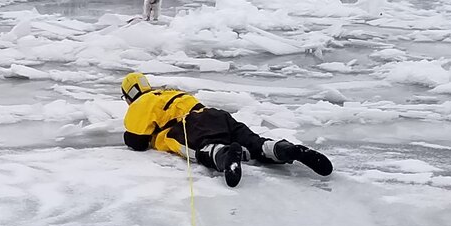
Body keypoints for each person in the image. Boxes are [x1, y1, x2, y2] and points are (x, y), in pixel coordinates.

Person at [121, 72, 333, 187]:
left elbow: (137, 142)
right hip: (215, 115)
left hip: (184, 127)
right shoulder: (168, 93)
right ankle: (283, 149)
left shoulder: (140, 104)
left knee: (206, 149)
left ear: (130, 95)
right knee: (254, 142)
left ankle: (224, 157)